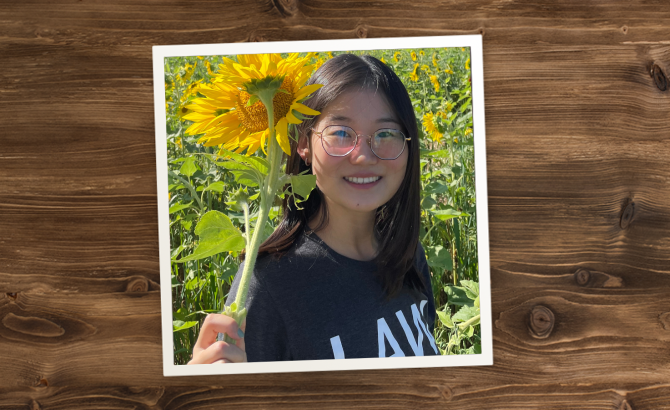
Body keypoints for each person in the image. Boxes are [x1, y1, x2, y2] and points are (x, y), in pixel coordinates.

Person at [188, 53, 437, 364]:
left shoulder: (406, 255)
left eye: (385, 133)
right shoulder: (271, 284)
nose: (363, 156)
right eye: (341, 133)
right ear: (303, 143)